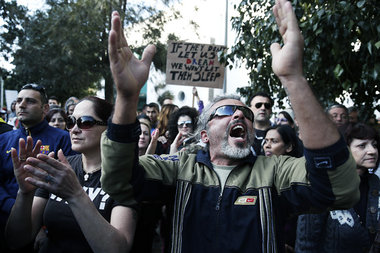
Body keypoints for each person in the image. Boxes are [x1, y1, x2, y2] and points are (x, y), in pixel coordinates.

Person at [100, 1, 359, 252]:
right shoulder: (178, 169)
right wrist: (126, 98)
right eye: (225, 111)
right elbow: (119, 181)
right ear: (203, 135)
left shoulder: (274, 171)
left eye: (245, 112)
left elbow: (339, 190)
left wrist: (294, 78)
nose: (239, 114)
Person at [5, 96, 136, 252]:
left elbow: (117, 250)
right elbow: (16, 239)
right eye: (71, 122)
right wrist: (25, 193)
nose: (74, 129)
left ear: (108, 128)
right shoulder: (59, 167)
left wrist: (76, 195)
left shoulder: (125, 174)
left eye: (85, 122)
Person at [0, 83, 75, 252]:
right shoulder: (3, 140)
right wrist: (14, 206)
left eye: (30, 101)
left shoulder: (64, 139)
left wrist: (43, 226)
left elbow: (68, 186)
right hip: (5, 220)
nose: (22, 104)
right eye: (19, 100)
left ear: (45, 108)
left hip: (44, 228)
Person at [296, 122, 380, 253]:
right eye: (362, 146)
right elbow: (306, 244)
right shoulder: (321, 188)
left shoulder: (376, 185)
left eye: (374, 145)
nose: (372, 151)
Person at [248, 91, 274, 155]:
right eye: (258, 105)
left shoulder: (280, 132)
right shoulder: (243, 132)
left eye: (267, 106)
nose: (263, 108)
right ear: (249, 109)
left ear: (271, 110)